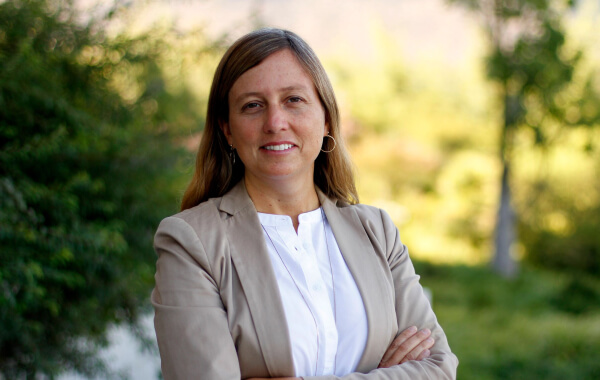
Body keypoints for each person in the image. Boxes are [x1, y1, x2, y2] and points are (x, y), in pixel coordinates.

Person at [151, 28, 458, 380]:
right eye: (253, 106)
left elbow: (438, 368)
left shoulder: (376, 231)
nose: (275, 123)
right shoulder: (192, 242)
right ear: (227, 130)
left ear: (326, 117)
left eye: (293, 100)